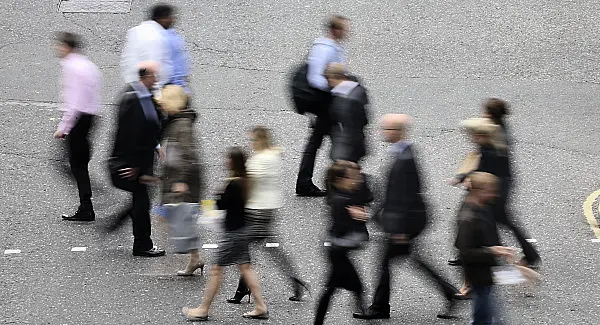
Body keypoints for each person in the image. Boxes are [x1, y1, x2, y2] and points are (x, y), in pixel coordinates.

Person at [353, 114, 459, 320]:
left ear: (399, 132)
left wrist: (399, 229)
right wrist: (374, 215)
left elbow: (406, 195)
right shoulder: (404, 153)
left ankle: (379, 308)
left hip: (405, 222)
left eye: (387, 130)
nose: (383, 133)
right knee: (410, 259)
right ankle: (449, 293)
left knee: (387, 262)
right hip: (407, 220)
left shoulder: (405, 158)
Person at [182, 147, 269, 321]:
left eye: (228, 159)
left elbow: (220, 205)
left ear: (233, 162)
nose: (225, 162)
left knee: (216, 271)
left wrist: (206, 203)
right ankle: (261, 306)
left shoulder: (234, 184)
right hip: (244, 229)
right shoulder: (246, 180)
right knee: (245, 268)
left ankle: (203, 309)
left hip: (233, 233)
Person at [226, 127, 308, 303]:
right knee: (269, 250)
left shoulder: (261, 160)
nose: (251, 144)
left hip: (257, 211)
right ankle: (294, 281)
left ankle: (244, 289)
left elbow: (248, 181)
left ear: (261, 140)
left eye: (253, 141)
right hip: (267, 210)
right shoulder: (272, 156)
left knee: (241, 248)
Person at [107, 61, 165, 257]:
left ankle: (134, 234)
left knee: (142, 200)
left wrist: (156, 145)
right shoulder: (133, 100)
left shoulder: (143, 95)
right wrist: (133, 166)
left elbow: (150, 126)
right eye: (154, 76)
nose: (156, 80)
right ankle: (142, 244)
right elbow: (128, 136)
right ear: (145, 76)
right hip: (132, 164)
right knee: (142, 201)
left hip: (139, 162)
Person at [481, 98, 540, 268]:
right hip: (497, 182)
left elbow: (494, 159)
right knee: (491, 218)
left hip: (499, 184)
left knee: (499, 218)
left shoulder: (499, 135)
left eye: (485, 112)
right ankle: (524, 254)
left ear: (491, 114)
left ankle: (529, 255)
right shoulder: (496, 128)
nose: (483, 115)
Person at [295, 15, 350, 197]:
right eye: (343, 28)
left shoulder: (330, 46)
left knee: (323, 141)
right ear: (335, 30)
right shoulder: (325, 49)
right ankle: (341, 181)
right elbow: (315, 78)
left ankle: (309, 182)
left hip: (326, 102)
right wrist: (337, 87)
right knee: (336, 140)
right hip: (325, 103)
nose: (347, 32)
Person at [314, 161, 372, 325]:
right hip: (337, 251)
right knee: (340, 287)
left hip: (337, 251)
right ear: (339, 180)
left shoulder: (341, 196)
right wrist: (362, 219)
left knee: (342, 287)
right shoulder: (341, 202)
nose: (354, 180)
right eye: (350, 177)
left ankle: (361, 311)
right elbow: (345, 229)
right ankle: (362, 312)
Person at [155, 85, 204, 275]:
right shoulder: (176, 121)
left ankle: (192, 256)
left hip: (182, 180)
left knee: (169, 216)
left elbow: (188, 154)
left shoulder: (181, 125)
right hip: (175, 177)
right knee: (175, 217)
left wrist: (181, 181)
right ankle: (194, 258)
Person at [54, 32, 102, 222]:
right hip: (90, 117)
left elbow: (73, 103)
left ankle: (87, 204)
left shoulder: (71, 68)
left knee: (73, 165)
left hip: (78, 119)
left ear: (67, 47)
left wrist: (64, 128)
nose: (58, 49)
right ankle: (87, 204)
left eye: (60, 45)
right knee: (79, 164)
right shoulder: (87, 65)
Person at [455, 171, 515, 325]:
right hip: (478, 273)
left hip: (486, 272)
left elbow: (490, 235)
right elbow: (465, 252)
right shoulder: (468, 218)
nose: (495, 195)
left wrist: (501, 250)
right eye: (491, 191)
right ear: (478, 191)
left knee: (486, 315)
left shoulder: (483, 207)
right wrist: (493, 251)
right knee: (485, 318)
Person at [120, 3, 174, 88]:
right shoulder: (156, 36)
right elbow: (154, 66)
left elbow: (127, 59)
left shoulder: (135, 31)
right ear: (161, 19)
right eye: (169, 17)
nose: (172, 20)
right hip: (148, 88)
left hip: (134, 84)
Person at [324, 63, 369, 163]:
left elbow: (348, 130)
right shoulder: (358, 90)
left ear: (333, 77)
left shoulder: (346, 101)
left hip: (346, 151)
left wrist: (341, 154)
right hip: (357, 145)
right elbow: (365, 121)